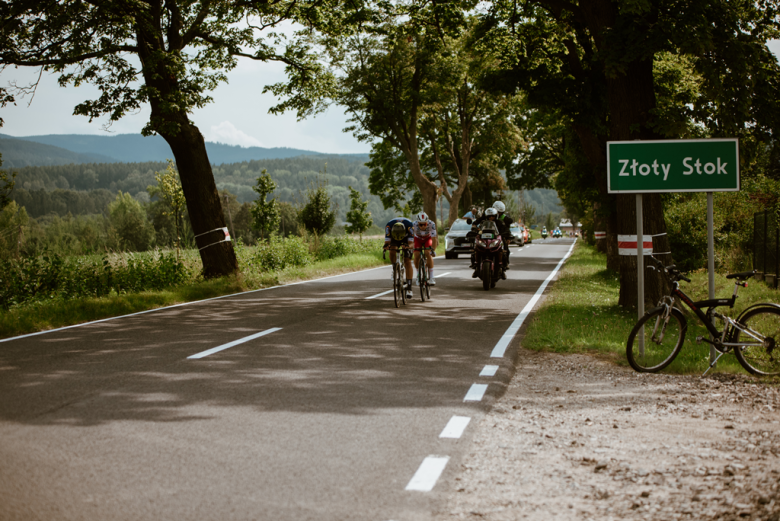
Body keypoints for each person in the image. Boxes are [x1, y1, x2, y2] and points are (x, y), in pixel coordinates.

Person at [383, 217, 414, 299]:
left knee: (407, 261)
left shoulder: (410, 226)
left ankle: (409, 288)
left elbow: (412, 244)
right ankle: (394, 268)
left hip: (405, 238)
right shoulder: (388, 227)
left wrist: (408, 247)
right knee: (392, 251)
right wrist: (386, 246)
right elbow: (387, 243)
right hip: (394, 238)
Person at [412, 211, 438, 286]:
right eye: (421, 224)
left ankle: (432, 277)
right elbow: (410, 238)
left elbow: (434, 239)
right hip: (418, 239)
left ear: (427, 222)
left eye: (425, 224)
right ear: (418, 223)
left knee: (428, 253)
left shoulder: (431, 224)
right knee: (416, 255)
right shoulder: (413, 225)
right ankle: (418, 276)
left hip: (427, 238)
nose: (423, 226)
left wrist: (433, 250)